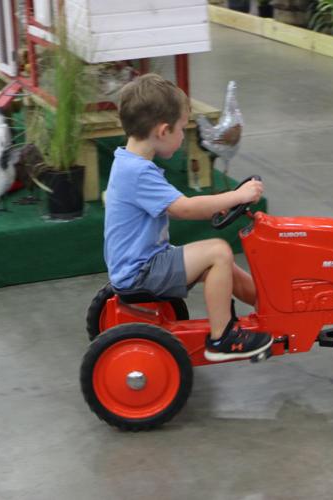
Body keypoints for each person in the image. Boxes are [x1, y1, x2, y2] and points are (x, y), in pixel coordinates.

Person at [103, 73, 272, 362]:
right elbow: (184, 208)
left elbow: (182, 206)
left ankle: (271, 305)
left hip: (142, 262)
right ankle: (223, 338)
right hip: (141, 271)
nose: (183, 138)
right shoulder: (139, 172)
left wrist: (218, 204)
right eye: (183, 129)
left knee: (221, 266)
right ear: (163, 130)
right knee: (219, 252)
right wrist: (238, 195)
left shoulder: (127, 160)